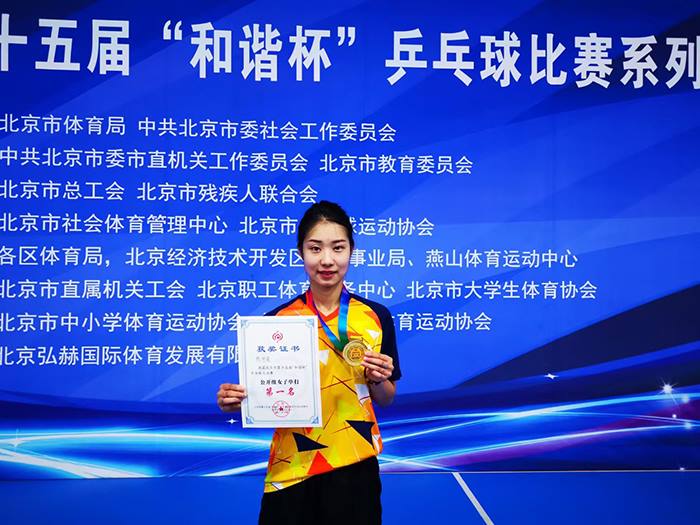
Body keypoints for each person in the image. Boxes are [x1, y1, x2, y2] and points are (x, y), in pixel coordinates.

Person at [216, 200, 401, 524]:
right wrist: (236, 400)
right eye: (315, 248)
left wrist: (378, 378)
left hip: (355, 466)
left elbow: (385, 399)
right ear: (300, 252)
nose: (327, 259)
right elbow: (263, 396)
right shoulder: (276, 321)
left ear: (351, 251)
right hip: (293, 466)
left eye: (337, 248)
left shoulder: (376, 317)